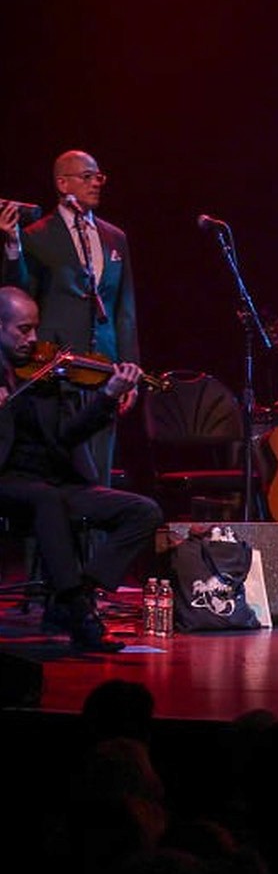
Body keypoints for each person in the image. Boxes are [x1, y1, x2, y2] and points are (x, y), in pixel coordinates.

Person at [0, 284, 160, 651]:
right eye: (23, 329)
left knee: (144, 511)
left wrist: (107, 396)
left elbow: (67, 436)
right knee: (45, 499)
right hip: (8, 484)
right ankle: (79, 614)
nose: (34, 339)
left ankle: (75, 597)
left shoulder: (45, 374)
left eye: (36, 328)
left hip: (55, 485)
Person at [3, 151, 141, 482]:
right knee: (64, 464)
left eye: (99, 177)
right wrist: (12, 247)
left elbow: (125, 309)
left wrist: (130, 371)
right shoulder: (36, 235)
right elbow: (18, 295)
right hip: (57, 365)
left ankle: (101, 534)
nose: (96, 182)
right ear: (62, 183)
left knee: (100, 465)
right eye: (87, 176)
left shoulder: (114, 237)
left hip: (103, 368)